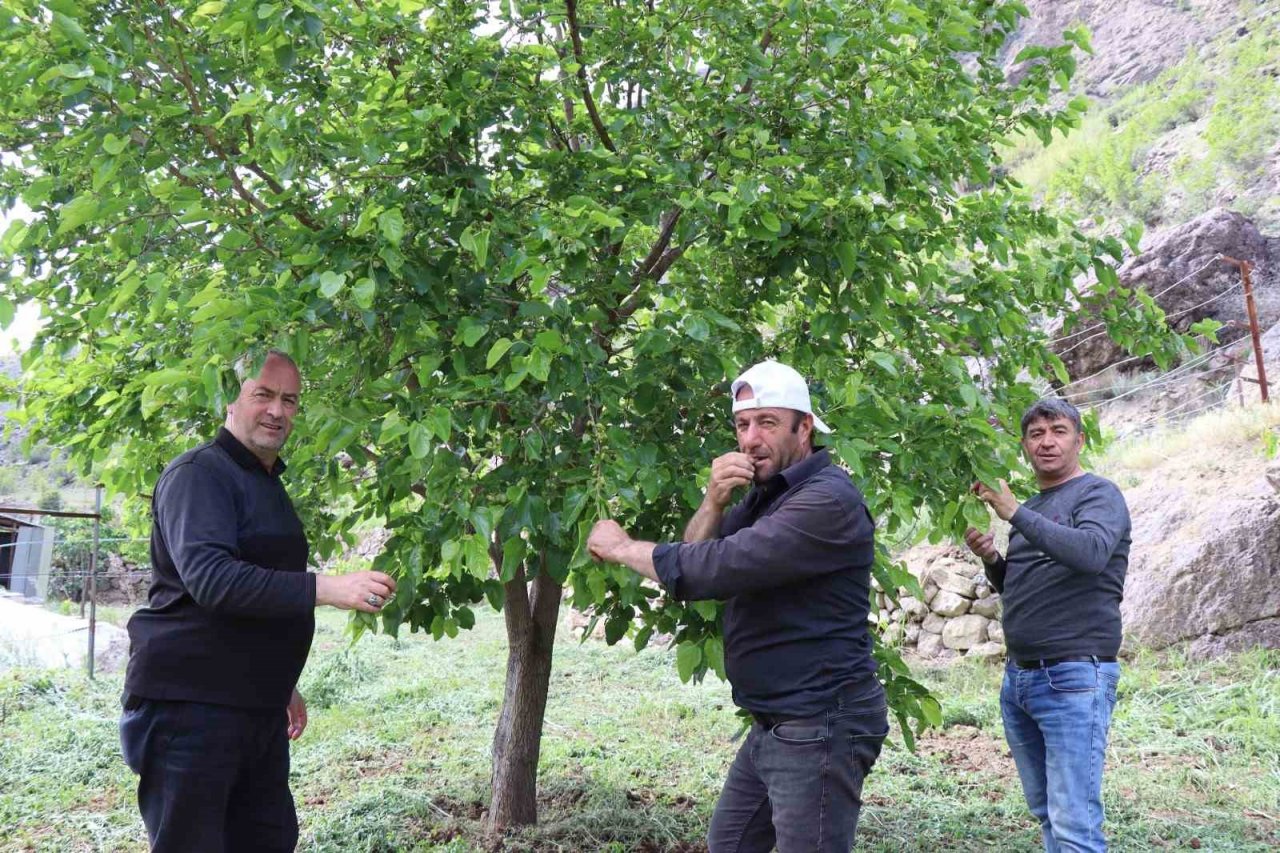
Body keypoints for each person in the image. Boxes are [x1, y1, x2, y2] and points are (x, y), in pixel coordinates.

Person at [588, 359, 888, 853]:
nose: (750, 439)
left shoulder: (825, 501)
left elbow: (716, 568)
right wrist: (713, 501)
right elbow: (699, 551)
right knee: (729, 843)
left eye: (767, 423)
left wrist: (623, 549)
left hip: (820, 723)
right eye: (742, 425)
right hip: (775, 722)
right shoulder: (768, 493)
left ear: (805, 426)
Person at [120, 350, 397, 853]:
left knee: (268, 840)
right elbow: (214, 580)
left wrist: (278, 681)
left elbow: (263, 588)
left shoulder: (265, 484)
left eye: (289, 400)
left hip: (253, 707)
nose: (277, 410)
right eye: (263, 394)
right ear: (230, 398)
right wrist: (328, 588)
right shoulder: (198, 475)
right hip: (192, 710)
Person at [965, 397, 1130, 853]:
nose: (1047, 441)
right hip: (1020, 678)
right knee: (1048, 815)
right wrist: (993, 559)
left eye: (1058, 430)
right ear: (1024, 446)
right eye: (1036, 434)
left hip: (1074, 676)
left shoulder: (1099, 494)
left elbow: (1091, 554)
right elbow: (1019, 585)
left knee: (1074, 821)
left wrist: (1015, 513)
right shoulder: (1033, 508)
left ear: (1078, 439)